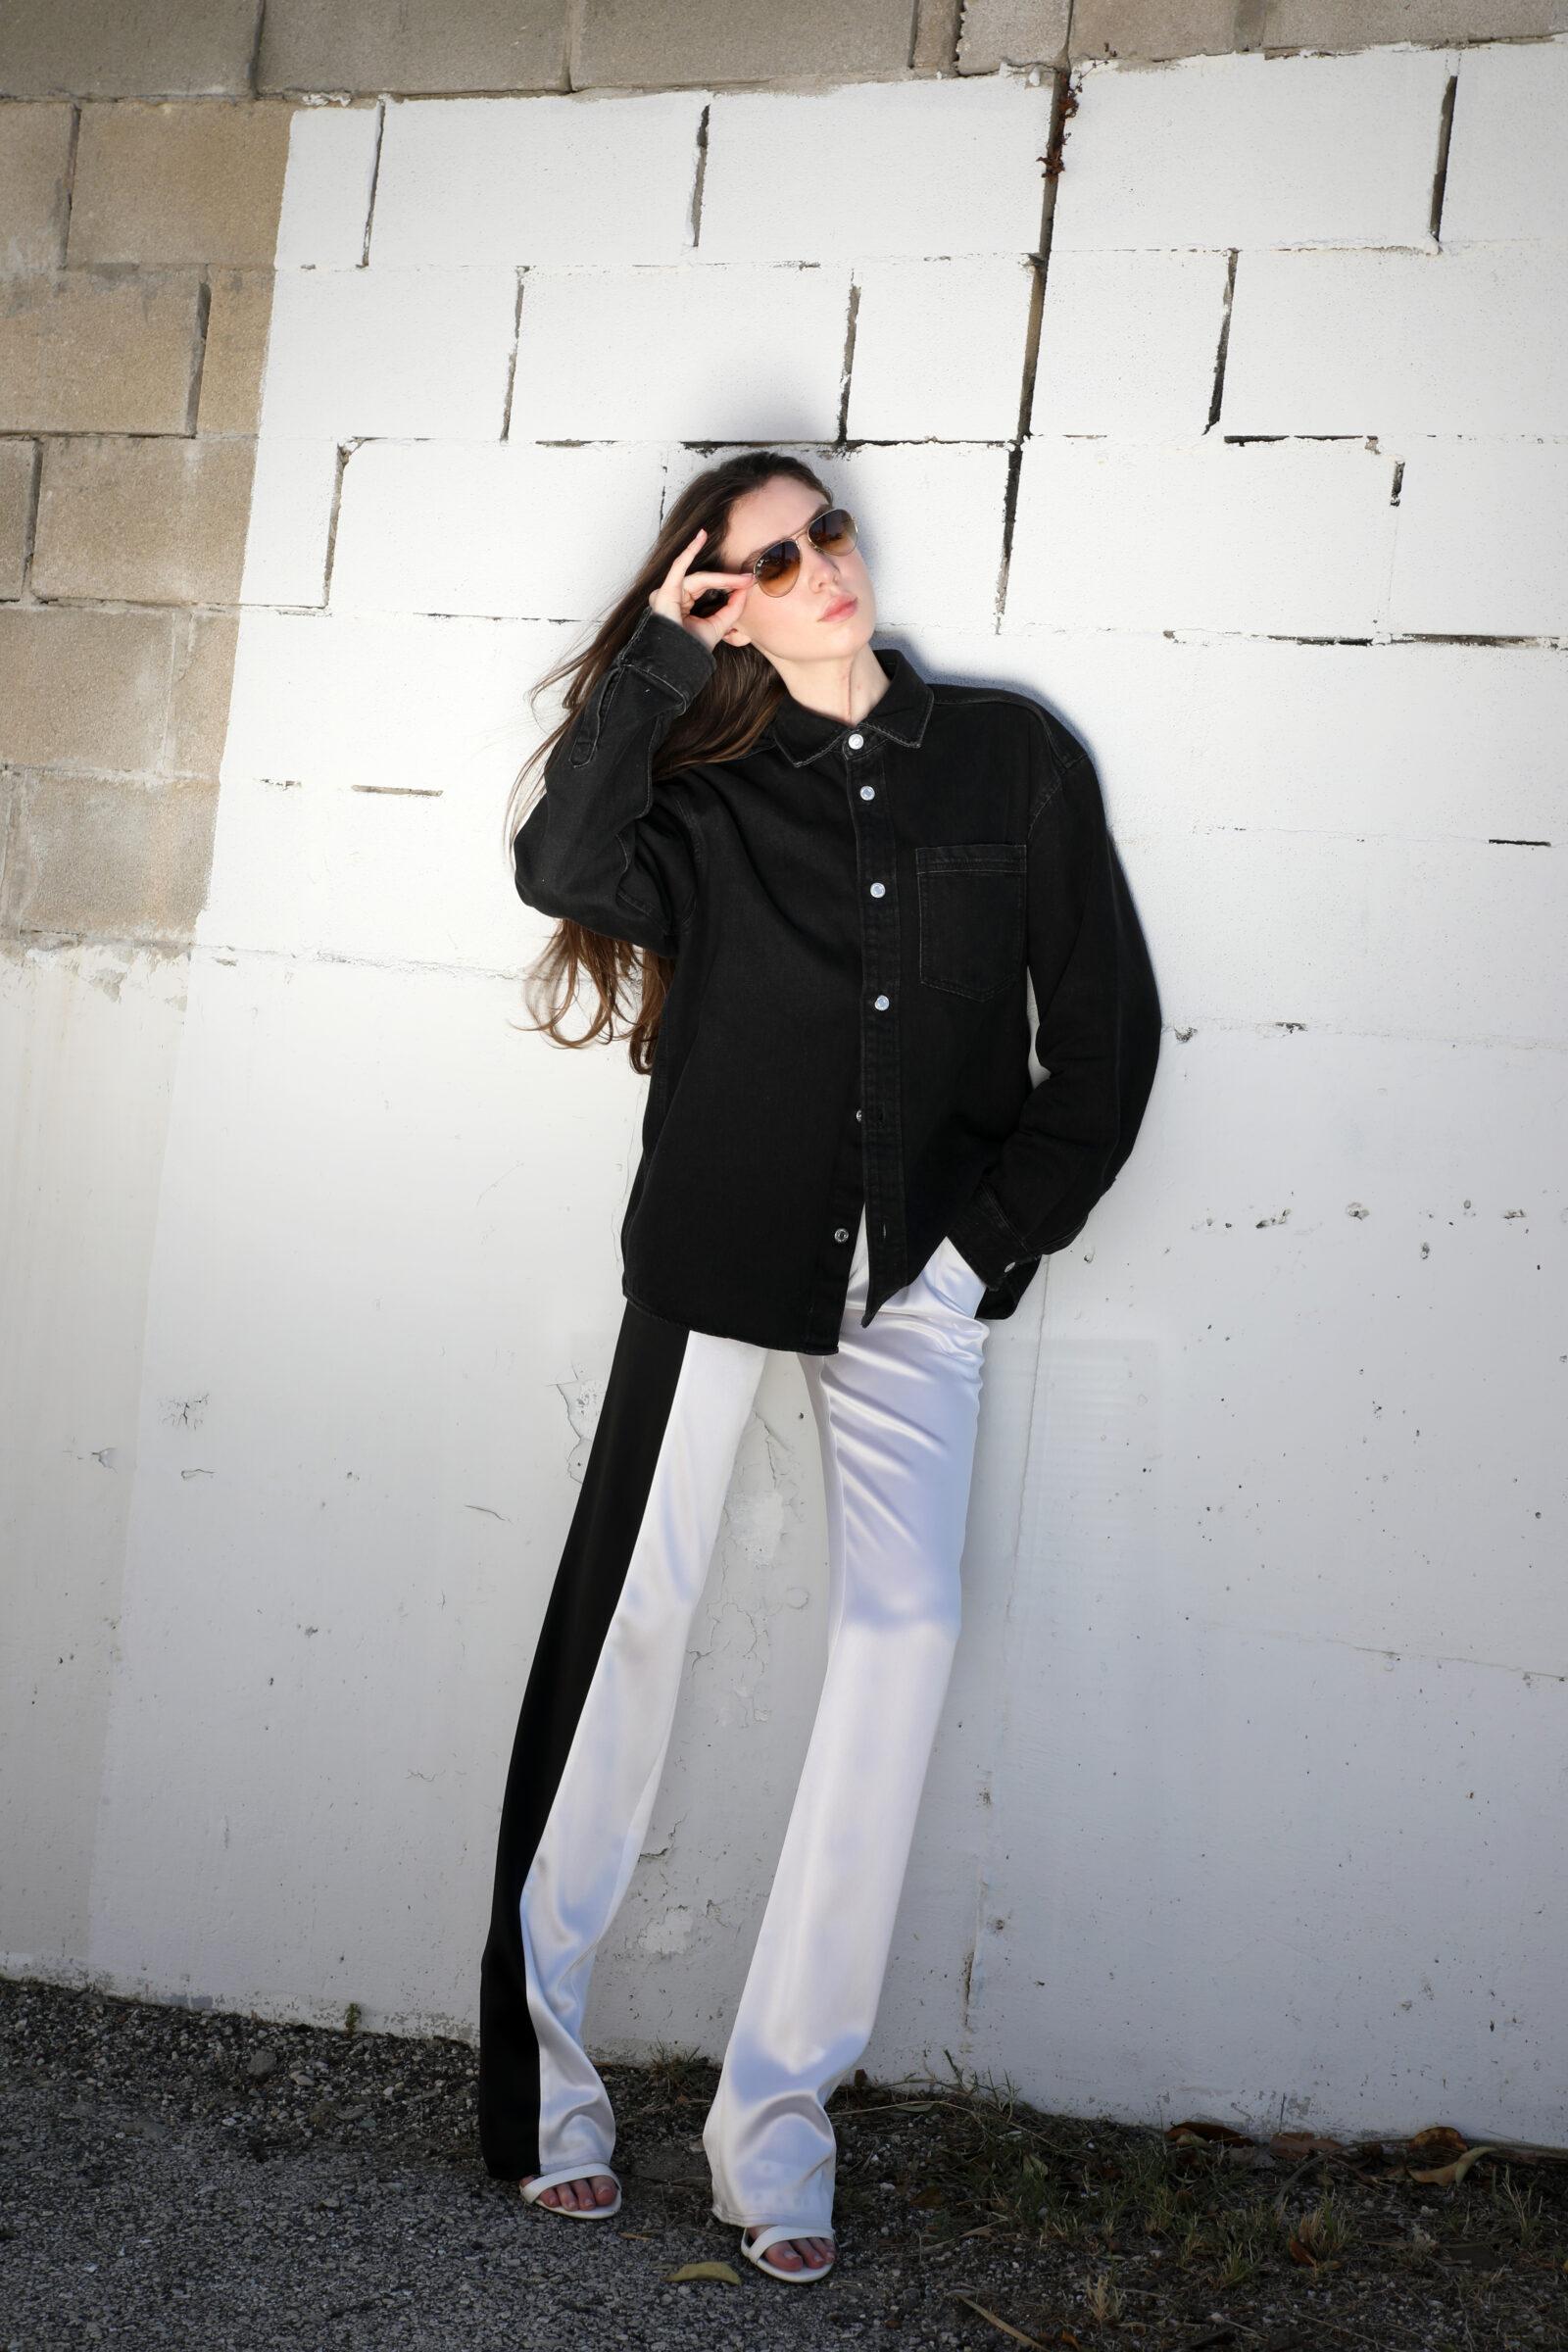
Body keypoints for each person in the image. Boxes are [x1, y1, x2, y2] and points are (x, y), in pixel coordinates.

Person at [477, 453, 1162, 2283]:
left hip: (918, 1281)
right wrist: (656, 657)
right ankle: (543, 2094)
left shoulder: (1010, 760)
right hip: (716, 1260)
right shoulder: (705, 795)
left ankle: (775, 2128)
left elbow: (1104, 1038)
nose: (818, 569)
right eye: (766, 565)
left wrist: (983, 1255)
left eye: (823, 534)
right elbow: (558, 864)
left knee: (903, 1637)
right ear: (725, 605)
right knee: (628, 1632)